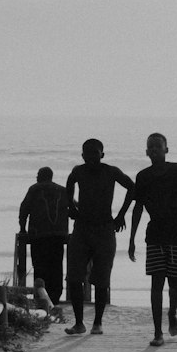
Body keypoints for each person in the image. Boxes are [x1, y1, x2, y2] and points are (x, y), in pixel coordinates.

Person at [128, 131, 177, 346]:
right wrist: (131, 238)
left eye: (157, 146)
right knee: (156, 284)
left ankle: (172, 312)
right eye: (150, 147)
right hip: (155, 236)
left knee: (175, 281)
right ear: (145, 152)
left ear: (166, 150)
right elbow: (138, 207)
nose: (153, 150)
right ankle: (158, 333)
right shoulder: (143, 176)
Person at [64, 139, 135, 336]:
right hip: (82, 228)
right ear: (82, 155)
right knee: (74, 276)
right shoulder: (78, 171)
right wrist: (71, 207)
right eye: (87, 153)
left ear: (102, 154)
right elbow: (68, 187)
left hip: (105, 229)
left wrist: (121, 215)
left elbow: (132, 187)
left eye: (95, 153)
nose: (91, 157)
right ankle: (79, 323)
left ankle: (97, 322)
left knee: (102, 277)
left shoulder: (111, 171)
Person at [18, 166, 69, 305]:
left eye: (37, 175)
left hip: (38, 235)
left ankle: (40, 297)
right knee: (56, 266)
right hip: (58, 235)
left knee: (40, 266)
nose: (36, 177)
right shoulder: (63, 190)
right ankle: (55, 296)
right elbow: (74, 208)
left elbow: (24, 209)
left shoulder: (34, 189)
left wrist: (23, 229)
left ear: (41, 176)